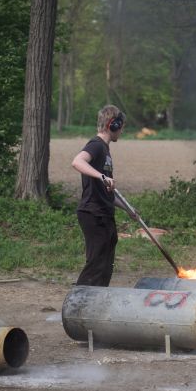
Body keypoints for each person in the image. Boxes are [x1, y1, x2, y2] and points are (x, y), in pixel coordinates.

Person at [71, 105, 134, 286]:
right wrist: (101, 175)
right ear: (112, 125)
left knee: (106, 264)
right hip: (93, 213)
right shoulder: (96, 145)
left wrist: (128, 209)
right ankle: (79, 302)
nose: (122, 131)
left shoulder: (106, 150)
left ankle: (98, 300)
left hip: (105, 213)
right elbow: (77, 161)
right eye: (121, 127)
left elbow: (107, 192)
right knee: (96, 263)